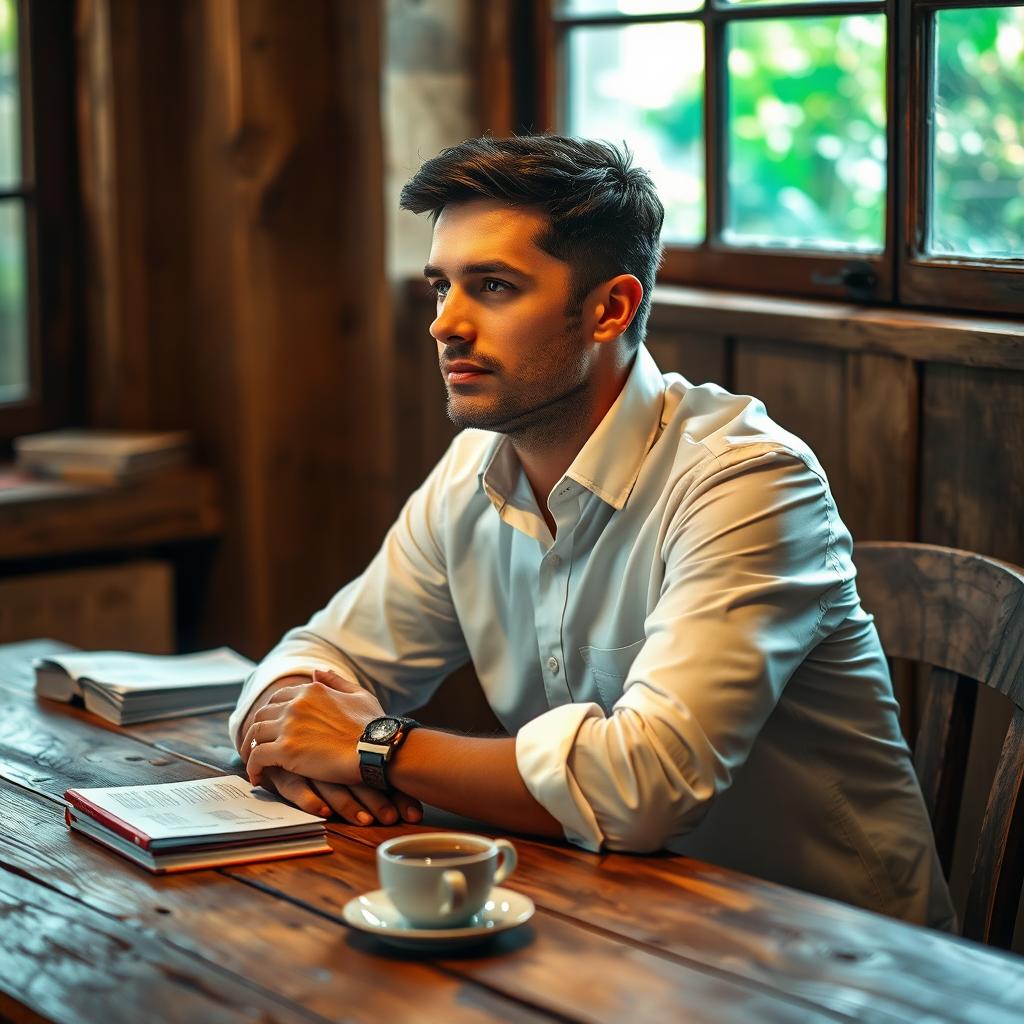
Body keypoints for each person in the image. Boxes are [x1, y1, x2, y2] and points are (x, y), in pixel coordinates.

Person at [233, 134, 955, 929]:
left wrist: (373, 747)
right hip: (613, 922)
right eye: (442, 286)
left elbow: (645, 787)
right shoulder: (472, 469)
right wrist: (300, 735)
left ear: (610, 308)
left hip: (837, 962)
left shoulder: (748, 481)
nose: (445, 324)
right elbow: (319, 657)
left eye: (494, 286)